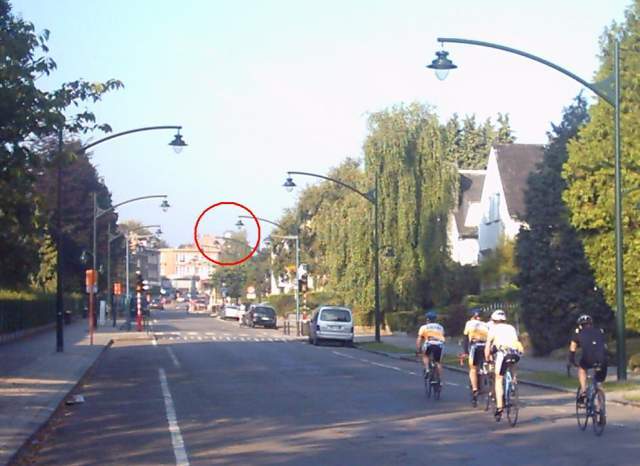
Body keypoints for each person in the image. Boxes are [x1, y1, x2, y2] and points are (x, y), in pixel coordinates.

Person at [484, 309, 523, 421]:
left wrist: (487, 359)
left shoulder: (493, 329)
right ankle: (514, 381)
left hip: (503, 354)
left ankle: (500, 408)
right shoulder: (511, 328)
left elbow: (488, 346)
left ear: (494, 320)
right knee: (512, 364)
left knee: (498, 378)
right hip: (515, 353)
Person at [569, 314, 608, 403]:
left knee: (582, 369)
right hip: (602, 359)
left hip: (588, 358)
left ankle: (583, 391)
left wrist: (571, 360)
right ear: (591, 323)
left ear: (580, 325)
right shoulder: (599, 331)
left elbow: (572, 347)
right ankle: (600, 406)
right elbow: (605, 346)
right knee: (599, 380)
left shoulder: (578, 332)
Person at [462, 308, 489, 406]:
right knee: (485, 366)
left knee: (473, 368)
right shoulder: (486, 324)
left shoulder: (469, 323)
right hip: (486, 346)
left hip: (475, 346)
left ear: (472, 316)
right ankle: (487, 379)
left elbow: (465, 338)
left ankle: (475, 390)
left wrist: (465, 351)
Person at [416, 310, 446, 383]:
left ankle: (427, 369)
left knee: (425, 355)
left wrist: (418, 349)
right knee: (438, 362)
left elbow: (419, 339)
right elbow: (443, 336)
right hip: (439, 344)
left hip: (429, 343)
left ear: (427, 319)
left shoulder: (424, 327)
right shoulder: (440, 327)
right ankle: (439, 379)